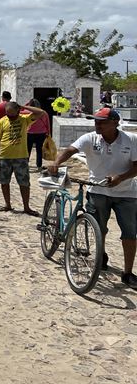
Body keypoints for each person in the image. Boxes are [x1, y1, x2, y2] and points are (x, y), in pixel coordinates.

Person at [47, 108, 137, 287]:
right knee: (99, 229)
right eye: (96, 121)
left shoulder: (131, 139)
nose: (98, 125)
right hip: (97, 191)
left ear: (115, 123)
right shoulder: (90, 138)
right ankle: (101, 256)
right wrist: (56, 162)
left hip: (126, 193)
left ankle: (128, 272)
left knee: (129, 234)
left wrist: (121, 178)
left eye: (102, 122)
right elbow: (71, 150)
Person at [0, 101, 47, 215]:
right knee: (4, 182)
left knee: (24, 183)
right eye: (8, 114)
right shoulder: (2, 121)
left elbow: (41, 112)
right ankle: (7, 205)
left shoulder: (24, 119)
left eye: (12, 114)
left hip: (21, 157)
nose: (10, 116)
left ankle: (26, 207)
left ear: (18, 111)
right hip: (4, 156)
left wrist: (23, 107)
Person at [25, 99, 50, 172]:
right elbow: (47, 123)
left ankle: (26, 165)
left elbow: (21, 109)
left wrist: (26, 105)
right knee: (39, 150)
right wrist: (48, 133)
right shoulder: (44, 113)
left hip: (29, 133)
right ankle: (39, 166)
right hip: (41, 133)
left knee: (27, 150)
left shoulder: (27, 113)